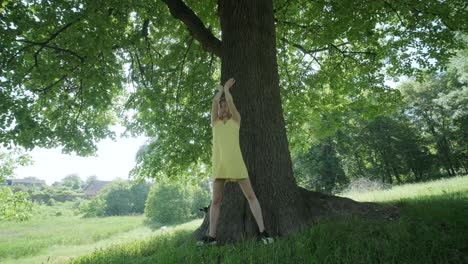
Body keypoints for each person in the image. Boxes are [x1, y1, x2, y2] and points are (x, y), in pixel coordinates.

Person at [197, 78, 274, 246]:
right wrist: (219, 92)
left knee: (251, 196)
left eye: (224, 106)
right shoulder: (215, 123)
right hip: (219, 165)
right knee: (216, 201)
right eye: (220, 106)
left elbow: (230, 102)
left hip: (236, 163)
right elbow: (214, 102)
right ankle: (212, 237)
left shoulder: (235, 121)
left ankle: (263, 232)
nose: (222, 107)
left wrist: (226, 90)